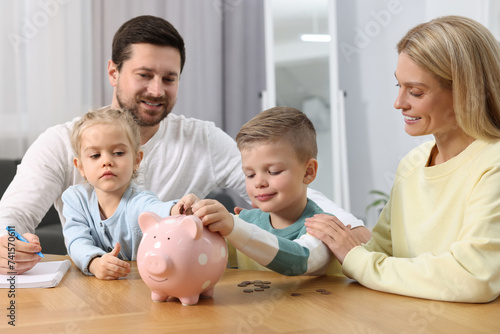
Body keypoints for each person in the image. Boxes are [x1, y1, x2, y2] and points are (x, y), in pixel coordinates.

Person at [0, 15, 368, 275]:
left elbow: (280, 188)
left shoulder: (201, 138)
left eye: (169, 78)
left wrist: (348, 226)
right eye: (144, 75)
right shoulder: (60, 142)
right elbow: (12, 218)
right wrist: (7, 243)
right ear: (113, 72)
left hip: (183, 287)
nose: (157, 90)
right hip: (99, 283)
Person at [305, 16, 500, 303]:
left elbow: (473, 277)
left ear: (464, 91)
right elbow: (379, 251)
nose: (399, 102)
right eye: (399, 86)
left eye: (416, 91)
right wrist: (265, 235)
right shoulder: (413, 162)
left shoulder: (492, 164)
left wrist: (358, 259)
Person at [175, 107, 370, 276]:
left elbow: (300, 259)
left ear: (308, 172)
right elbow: (209, 253)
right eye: (249, 175)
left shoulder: (323, 227)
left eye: (273, 171)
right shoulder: (246, 221)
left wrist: (233, 226)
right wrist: (197, 219)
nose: (259, 182)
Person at [62, 109, 176, 279]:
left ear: (136, 160)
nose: (107, 161)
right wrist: (95, 263)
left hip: (139, 285)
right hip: (94, 291)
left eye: (118, 153)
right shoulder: (75, 199)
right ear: (80, 167)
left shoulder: (140, 200)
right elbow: (76, 240)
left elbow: (158, 210)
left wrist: (180, 208)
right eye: (95, 155)